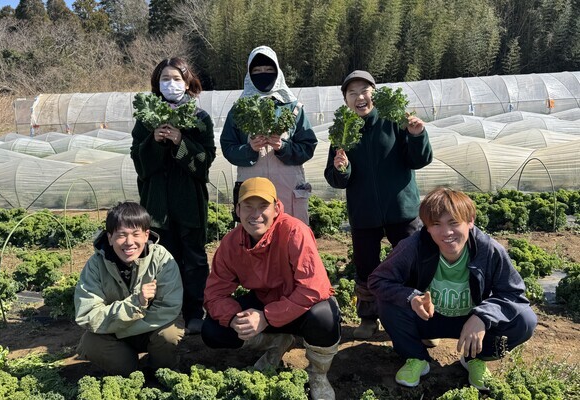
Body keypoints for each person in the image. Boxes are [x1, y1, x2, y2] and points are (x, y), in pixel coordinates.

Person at [368, 188, 537, 390]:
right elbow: (378, 280)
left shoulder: (489, 250)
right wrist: (412, 298)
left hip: (470, 322)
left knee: (525, 320)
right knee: (387, 303)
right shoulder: (413, 246)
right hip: (428, 318)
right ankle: (416, 357)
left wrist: (483, 316)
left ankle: (475, 358)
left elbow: (514, 293)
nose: (446, 232)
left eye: (454, 223)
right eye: (436, 224)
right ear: (427, 227)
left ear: (470, 221)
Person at [201, 177, 341, 400]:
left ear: (276, 208)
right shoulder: (231, 243)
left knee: (324, 318)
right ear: (237, 210)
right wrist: (233, 318)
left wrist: (267, 317)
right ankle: (277, 343)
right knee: (213, 330)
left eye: (263, 206)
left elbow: (313, 288)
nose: (255, 214)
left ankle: (318, 373)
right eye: (248, 206)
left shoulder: (294, 231)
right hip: (264, 302)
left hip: (299, 306)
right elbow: (214, 294)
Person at [324, 70, 433, 339]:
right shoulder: (344, 130)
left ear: (374, 92)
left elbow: (418, 160)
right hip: (364, 214)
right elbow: (337, 179)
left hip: (402, 211)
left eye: (364, 90)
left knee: (414, 265)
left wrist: (417, 135)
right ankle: (368, 318)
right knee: (366, 268)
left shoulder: (394, 120)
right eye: (352, 93)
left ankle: (422, 321)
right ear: (346, 100)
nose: (359, 97)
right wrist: (341, 168)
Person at [130, 57, 216, 334]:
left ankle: (195, 312)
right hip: (157, 205)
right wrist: (154, 142)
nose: (171, 84)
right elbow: (140, 164)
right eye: (165, 79)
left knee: (194, 260)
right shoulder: (146, 119)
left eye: (177, 79)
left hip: (189, 204)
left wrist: (180, 141)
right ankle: (167, 313)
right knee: (160, 260)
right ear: (157, 84)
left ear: (188, 83)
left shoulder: (200, 118)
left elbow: (204, 162)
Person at [74, 201, 185, 376]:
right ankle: (129, 371)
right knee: (91, 343)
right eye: (121, 235)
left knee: (169, 334)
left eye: (136, 234)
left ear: (146, 235)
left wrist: (123, 328)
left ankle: (160, 371)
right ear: (110, 237)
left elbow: (168, 308)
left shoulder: (161, 259)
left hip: (146, 331)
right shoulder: (95, 265)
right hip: (115, 335)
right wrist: (135, 303)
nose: (129, 242)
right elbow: (88, 314)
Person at [220, 45, 317, 224]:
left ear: (278, 72)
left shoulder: (293, 107)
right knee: (255, 236)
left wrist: (283, 147)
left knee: (290, 234)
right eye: (257, 71)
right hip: (253, 194)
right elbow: (228, 148)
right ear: (249, 75)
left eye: (268, 70)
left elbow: (308, 147)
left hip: (288, 192)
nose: (263, 74)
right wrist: (249, 149)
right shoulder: (239, 109)